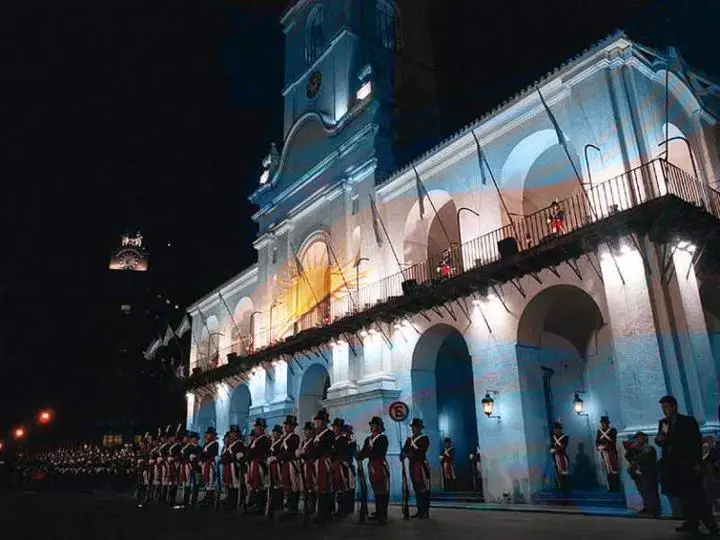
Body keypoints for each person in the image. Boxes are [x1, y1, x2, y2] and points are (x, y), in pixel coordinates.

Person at [656, 395, 718, 535]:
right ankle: (691, 522)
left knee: (697, 496)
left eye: (666, 407)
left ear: (674, 407)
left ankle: (712, 526)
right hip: (673, 466)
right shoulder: (663, 423)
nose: (664, 411)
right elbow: (661, 441)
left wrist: (697, 462)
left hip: (688, 464)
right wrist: (659, 439)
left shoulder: (687, 421)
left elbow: (695, 443)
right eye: (662, 408)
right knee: (683, 496)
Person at [357, 416, 390, 524]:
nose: (372, 427)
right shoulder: (368, 439)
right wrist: (359, 455)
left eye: (374, 425)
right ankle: (378, 511)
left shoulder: (383, 439)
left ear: (379, 427)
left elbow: (378, 452)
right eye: (371, 425)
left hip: (380, 465)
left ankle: (383, 513)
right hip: (371, 466)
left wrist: (365, 453)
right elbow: (364, 451)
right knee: (376, 489)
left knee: (382, 489)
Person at [307, 409, 335, 525]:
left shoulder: (328, 434)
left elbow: (321, 449)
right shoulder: (318, 435)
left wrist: (309, 453)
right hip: (317, 462)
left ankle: (324, 514)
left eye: (318, 421)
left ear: (324, 422)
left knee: (325, 489)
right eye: (316, 421)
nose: (316, 424)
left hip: (324, 462)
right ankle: (322, 513)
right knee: (320, 489)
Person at [625, 432, 661, 517]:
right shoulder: (635, 448)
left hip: (647, 473)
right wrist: (632, 450)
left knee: (650, 491)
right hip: (638, 474)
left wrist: (635, 452)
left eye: (640, 438)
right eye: (637, 438)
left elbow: (643, 458)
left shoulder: (649, 448)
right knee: (643, 491)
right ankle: (647, 507)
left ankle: (653, 508)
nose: (638, 440)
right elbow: (628, 456)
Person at [401, 418, 431, 518]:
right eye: (413, 427)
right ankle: (419, 510)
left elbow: (422, 451)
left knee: (423, 488)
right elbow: (405, 450)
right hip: (412, 465)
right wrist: (403, 455)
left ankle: (425, 510)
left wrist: (409, 454)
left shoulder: (424, 438)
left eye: (416, 427)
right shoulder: (409, 440)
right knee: (416, 488)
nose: (414, 429)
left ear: (419, 428)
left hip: (421, 465)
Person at [247, 418, 271, 514]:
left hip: (260, 465)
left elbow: (260, 451)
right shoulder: (256, 440)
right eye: (256, 427)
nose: (256, 429)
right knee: (255, 485)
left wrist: (251, 452)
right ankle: (256, 504)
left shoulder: (265, 439)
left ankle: (261, 506)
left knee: (261, 485)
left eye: (258, 427)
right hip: (254, 464)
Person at [330, 418, 352, 518]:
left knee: (342, 488)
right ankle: (339, 509)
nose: (335, 429)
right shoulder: (333, 439)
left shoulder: (343, 440)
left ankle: (343, 510)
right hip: (335, 465)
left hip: (341, 466)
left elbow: (344, 454)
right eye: (334, 427)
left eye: (337, 427)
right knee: (337, 488)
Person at [280, 415, 301, 516]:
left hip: (291, 462)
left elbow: (290, 451)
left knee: (293, 485)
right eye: (286, 425)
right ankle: (289, 505)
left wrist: (283, 453)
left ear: (292, 427)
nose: (286, 427)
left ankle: (293, 507)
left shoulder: (294, 437)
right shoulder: (284, 437)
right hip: (285, 463)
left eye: (288, 425)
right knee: (287, 484)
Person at [596, 416, 620, 492]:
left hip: (611, 452)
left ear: (607, 423)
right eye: (601, 423)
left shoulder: (612, 430)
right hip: (604, 453)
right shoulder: (599, 431)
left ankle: (616, 486)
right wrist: (599, 446)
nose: (602, 425)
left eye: (603, 423)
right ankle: (611, 486)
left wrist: (606, 445)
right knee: (608, 470)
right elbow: (597, 441)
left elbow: (613, 441)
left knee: (614, 469)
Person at [297, 421, 316, 515]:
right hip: (303, 465)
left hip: (310, 465)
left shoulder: (314, 441)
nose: (306, 432)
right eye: (306, 430)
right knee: (304, 487)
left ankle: (311, 507)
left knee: (311, 486)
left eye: (308, 430)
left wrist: (303, 455)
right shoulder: (304, 441)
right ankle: (306, 506)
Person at [200, 427, 219, 508]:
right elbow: (202, 453)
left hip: (210, 464)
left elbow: (210, 453)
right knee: (207, 481)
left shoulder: (215, 443)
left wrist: (204, 454)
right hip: (205, 464)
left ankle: (210, 499)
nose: (206, 435)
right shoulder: (206, 444)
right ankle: (207, 497)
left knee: (210, 481)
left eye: (208, 434)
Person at [551, 422, 571, 492]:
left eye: (556, 429)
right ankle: (561, 487)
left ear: (560, 430)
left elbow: (563, 446)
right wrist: (552, 449)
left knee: (564, 472)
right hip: (556, 458)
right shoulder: (553, 438)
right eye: (554, 430)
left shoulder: (565, 437)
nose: (555, 431)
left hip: (562, 456)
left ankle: (566, 487)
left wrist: (556, 450)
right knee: (558, 473)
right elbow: (552, 446)